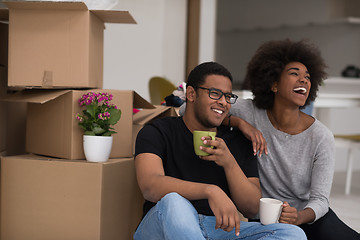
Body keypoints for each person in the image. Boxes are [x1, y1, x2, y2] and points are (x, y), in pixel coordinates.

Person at [133, 61, 306, 240]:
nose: (223, 102)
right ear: (191, 94)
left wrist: (229, 163)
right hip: (161, 224)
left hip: (215, 228)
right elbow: (150, 186)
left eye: (228, 96)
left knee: (292, 234)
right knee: (174, 201)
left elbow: (252, 208)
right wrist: (211, 191)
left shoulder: (238, 141)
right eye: (215, 94)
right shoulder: (158, 131)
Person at [223, 39, 360, 239]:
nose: (304, 80)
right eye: (294, 73)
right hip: (265, 220)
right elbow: (188, 109)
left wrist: (299, 216)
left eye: (307, 77)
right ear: (274, 84)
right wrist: (239, 123)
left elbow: (321, 200)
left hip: (307, 218)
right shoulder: (249, 112)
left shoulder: (320, 137)